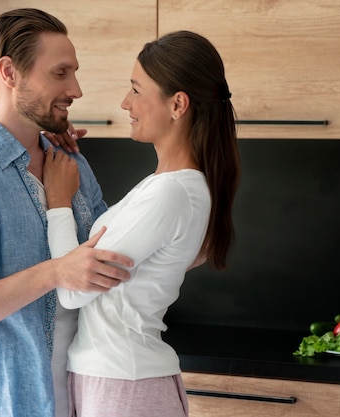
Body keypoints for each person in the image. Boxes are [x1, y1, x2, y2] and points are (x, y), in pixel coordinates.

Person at [0, 8, 133, 417]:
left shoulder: (70, 162)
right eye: (60, 73)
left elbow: (110, 251)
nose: (76, 89)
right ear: (10, 72)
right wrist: (57, 271)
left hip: (74, 399)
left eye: (74, 73)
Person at [42, 30, 241, 417]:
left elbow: (72, 291)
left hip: (124, 386)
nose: (125, 102)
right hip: (117, 380)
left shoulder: (172, 193)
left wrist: (58, 201)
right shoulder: (164, 187)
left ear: (178, 104)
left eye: (136, 89)